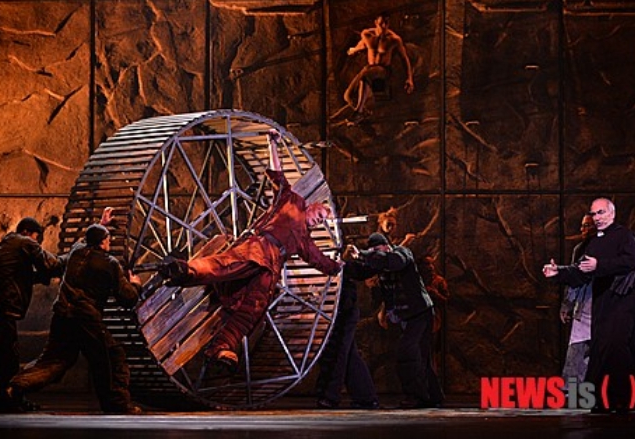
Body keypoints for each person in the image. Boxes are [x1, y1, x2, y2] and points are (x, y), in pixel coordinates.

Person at [159, 129, 343, 373]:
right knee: (224, 266)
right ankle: (184, 270)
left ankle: (222, 347)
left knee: (253, 309)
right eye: (319, 215)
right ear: (310, 207)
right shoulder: (292, 201)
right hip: (257, 249)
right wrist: (272, 143)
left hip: (269, 272)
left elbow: (320, 261)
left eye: (321, 221)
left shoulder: (304, 241)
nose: (318, 221)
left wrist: (340, 266)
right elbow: (277, 175)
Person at [6, 209, 143, 414]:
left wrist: (101, 224)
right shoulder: (109, 264)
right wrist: (136, 284)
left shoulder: (76, 252)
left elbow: (84, 240)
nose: (110, 241)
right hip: (86, 318)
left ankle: (14, 386)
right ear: (103, 242)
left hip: (62, 315)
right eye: (108, 238)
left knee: (53, 361)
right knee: (112, 356)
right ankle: (117, 404)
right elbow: (128, 298)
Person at [544, 198, 635, 413]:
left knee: (618, 350)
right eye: (594, 214)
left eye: (601, 213)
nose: (597, 218)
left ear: (612, 214)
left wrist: (600, 265)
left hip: (623, 303)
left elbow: (630, 263)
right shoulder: (594, 243)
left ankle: (623, 401)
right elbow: (581, 272)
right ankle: (603, 401)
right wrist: (558, 272)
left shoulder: (624, 236)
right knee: (601, 352)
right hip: (602, 305)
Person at [560, 215, 635, 409]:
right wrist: (567, 304)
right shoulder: (580, 249)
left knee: (626, 349)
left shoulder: (618, 246)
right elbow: (574, 278)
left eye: (588, 226)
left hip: (613, 308)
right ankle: (570, 395)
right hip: (586, 308)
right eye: (583, 226)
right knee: (577, 352)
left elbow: (632, 274)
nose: (583, 230)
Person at [0, 216, 64, 412]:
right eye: (37, 239)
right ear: (27, 232)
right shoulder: (23, 241)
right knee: (7, 359)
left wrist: (40, 276)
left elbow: (23, 277)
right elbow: (50, 264)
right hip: (1, 309)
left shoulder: (8, 245)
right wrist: (73, 255)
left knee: (0, 358)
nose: (37, 244)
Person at [353, 233, 443, 409]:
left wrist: (362, 254)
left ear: (386, 246)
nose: (376, 254)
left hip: (419, 313)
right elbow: (363, 272)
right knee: (421, 356)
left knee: (407, 352)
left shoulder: (402, 253)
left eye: (377, 250)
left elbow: (395, 262)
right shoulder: (380, 262)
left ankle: (416, 396)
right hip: (407, 316)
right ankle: (433, 396)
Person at [315, 249, 379, 410]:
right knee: (349, 355)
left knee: (338, 352)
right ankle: (366, 397)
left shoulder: (344, 266)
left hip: (343, 311)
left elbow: (363, 271)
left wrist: (361, 257)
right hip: (334, 310)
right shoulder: (324, 263)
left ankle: (330, 396)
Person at [342, 12, 414, 123]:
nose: (384, 26)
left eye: (386, 23)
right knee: (348, 96)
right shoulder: (367, 34)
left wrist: (409, 78)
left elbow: (404, 59)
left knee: (366, 73)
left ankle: (359, 112)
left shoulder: (394, 39)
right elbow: (363, 44)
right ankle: (364, 112)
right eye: (381, 23)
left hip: (383, 71)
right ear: (376, 23)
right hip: (369, 69)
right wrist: (354, 50)